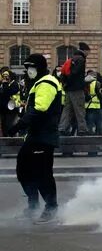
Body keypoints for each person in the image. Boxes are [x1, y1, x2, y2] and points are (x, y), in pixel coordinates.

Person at [11, 53, 63, 223]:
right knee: (23, 170)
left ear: (38, 67)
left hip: (44, 136)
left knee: (43, 173)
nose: (28, 71)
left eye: (30, 67)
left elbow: (40, 108)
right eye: (26, 68)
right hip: (36, 135)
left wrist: (19, 125)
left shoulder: (47, 83)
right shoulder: (38, 83)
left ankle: (51, 208)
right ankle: (33, 205)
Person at [58, 45, 89, 136]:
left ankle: (62, 128)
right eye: (88, 52)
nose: (88, 54)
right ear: (84, 51)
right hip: (77, 89)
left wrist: (66, 84)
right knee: (79, 109)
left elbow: (62, 74)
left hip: (68, 89)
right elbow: (75, 73)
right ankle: (82, 129)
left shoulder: (71, 60)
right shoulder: (80, 60)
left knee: (67, 109)